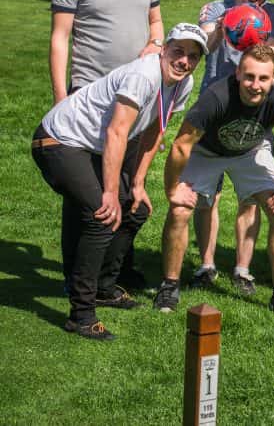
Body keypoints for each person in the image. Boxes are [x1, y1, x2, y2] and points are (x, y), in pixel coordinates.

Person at [31, 24, 206, 340]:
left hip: (92, 148)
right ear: (164, 49)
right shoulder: (144, 75)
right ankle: (82, 315)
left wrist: (137, 183)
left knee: (136, 209)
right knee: (103, 214)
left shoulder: (183, 82)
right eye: (178, 51)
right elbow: (117, 132)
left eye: (193, 56)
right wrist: (110, 193)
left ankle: (104, 287)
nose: (184, 61)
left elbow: (155, 130)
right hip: (59, 140)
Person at [50, 0, 164, 289]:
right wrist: (61, 98)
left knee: (127, 183)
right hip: (88, 96)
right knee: (88, 192)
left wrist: (155, 44)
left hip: (134, 98)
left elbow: (156, 22)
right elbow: (60, 38)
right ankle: (76, 274)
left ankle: (115, 272)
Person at [154, 45, 274, 318]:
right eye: (249, 76)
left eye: (263, 78)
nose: (255, 85)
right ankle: (169, 286)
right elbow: (181, 145)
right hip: (207, 151)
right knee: (180, 209)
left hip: (252, 151)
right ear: (238, 73)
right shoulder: (217, 96)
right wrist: (172, 190)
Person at [189, 0, 274, 294]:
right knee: (207, 196)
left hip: (254, 115)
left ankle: (243, 270)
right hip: (214, 110)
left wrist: (251, 27)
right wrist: (225, 26)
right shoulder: (214, 8)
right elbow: (204, 47)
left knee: (250, 197)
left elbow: (270, 56)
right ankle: (206, 265)